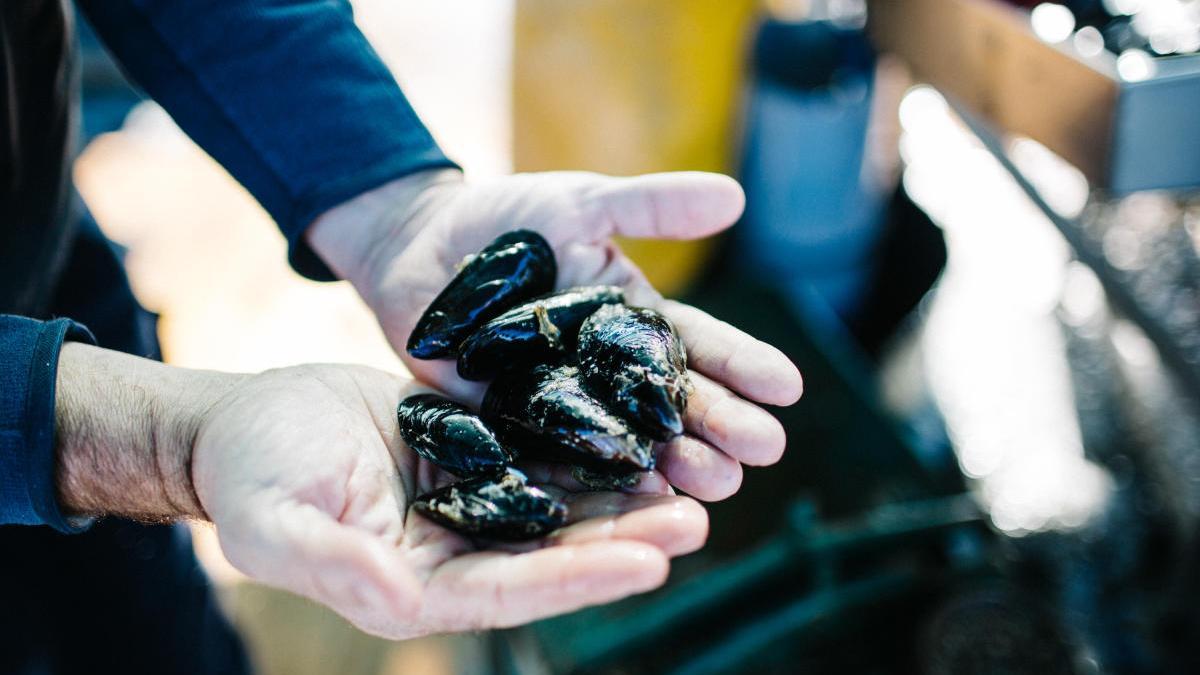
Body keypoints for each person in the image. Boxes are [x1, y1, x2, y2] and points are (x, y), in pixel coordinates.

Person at [1, 1, 803, 672]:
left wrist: (389, 196)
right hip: (56, 391)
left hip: (50, 278)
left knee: (159, 635)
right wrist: (153, 441)